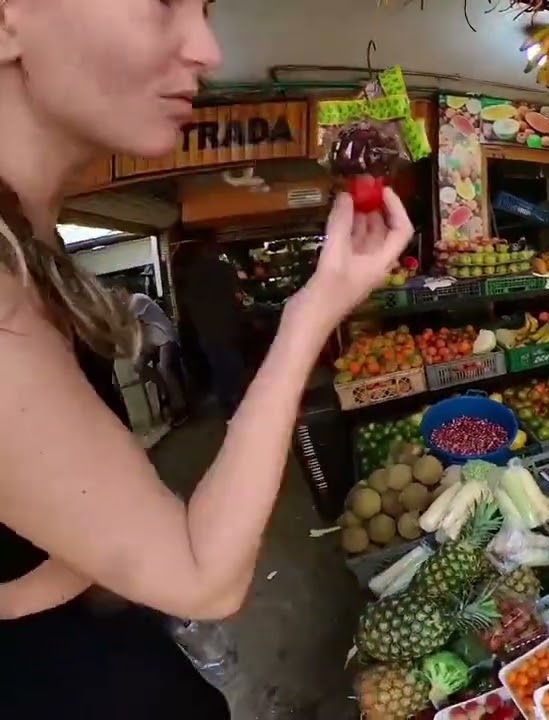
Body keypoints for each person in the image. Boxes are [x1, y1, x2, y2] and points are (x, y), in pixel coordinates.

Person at [0, 3, 413, 718]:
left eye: (206, 8)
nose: (208, 49)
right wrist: (313, 309)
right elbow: (201, 575)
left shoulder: (27, 238)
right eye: (161, 1)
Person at [179, 238, 247, 418]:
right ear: (216, 251)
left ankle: (227, 407)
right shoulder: (225, 269)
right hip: (227, 326)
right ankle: (242, 404)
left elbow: (187, 302)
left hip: (205, 331)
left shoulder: (191, 274)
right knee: (234, 365)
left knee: (218, 367)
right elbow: (239, 296)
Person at [119, 286, 188, 424]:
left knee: (164, 367)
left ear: (125, 291)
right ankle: (163, 388)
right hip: (153, 343)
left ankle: (180, 407)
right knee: (138, 366)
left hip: (165, 338)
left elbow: (132, 327)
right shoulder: (127, 309)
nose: (118, 298)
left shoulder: (137, 300)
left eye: (118, 293)